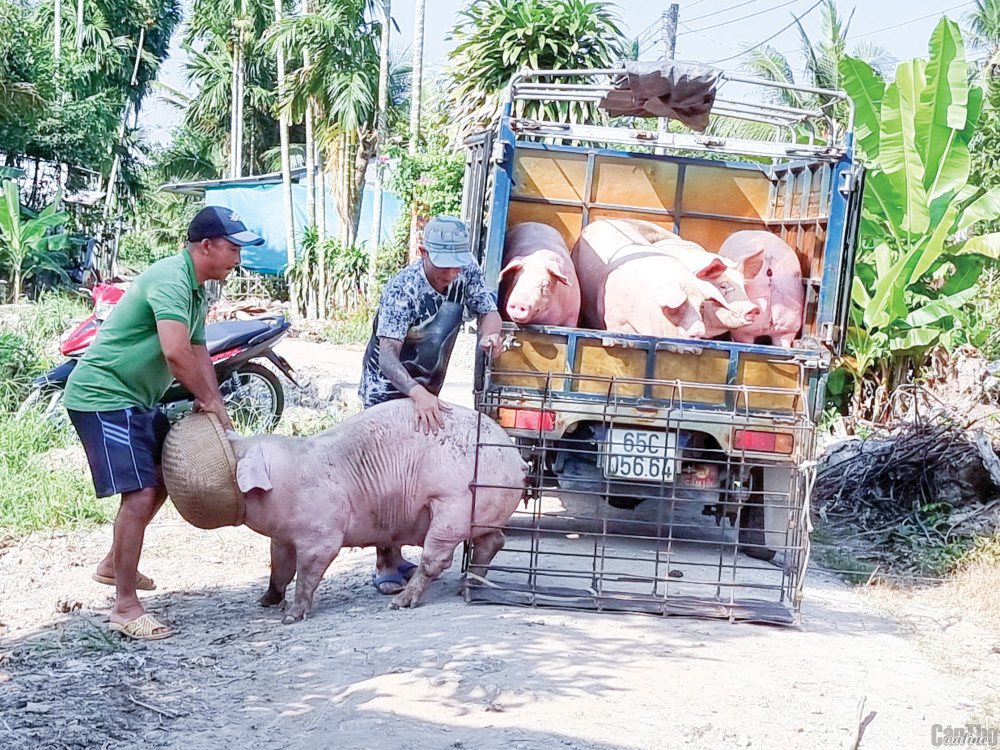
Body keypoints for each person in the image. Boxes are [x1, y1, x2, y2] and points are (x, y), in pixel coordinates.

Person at [64, 206, 264, 640]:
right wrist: (205, 398)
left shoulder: (196, 289)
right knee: (141, 494)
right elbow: (174, 355)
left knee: (159, 475)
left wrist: (217, 406)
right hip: (104, 395)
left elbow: (197, 353)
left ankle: (115, 564)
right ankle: (124, 607)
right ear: (206, 246)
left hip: (133, 397)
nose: (238, 258)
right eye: (233, 248)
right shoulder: (172, 278)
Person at [359, 215, 503, 594]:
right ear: (423, 253)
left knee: (420, 477)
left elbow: (488, 310)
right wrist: (415, 393)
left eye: (457, 263)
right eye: (443, 265)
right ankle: (386, 560)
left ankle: (410, 551)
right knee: (387, 480)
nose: (450, 273)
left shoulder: (464, 272)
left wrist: (490, 335)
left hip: (428, 388)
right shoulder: (401, 290)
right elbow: (387, 358)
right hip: (387, 390)